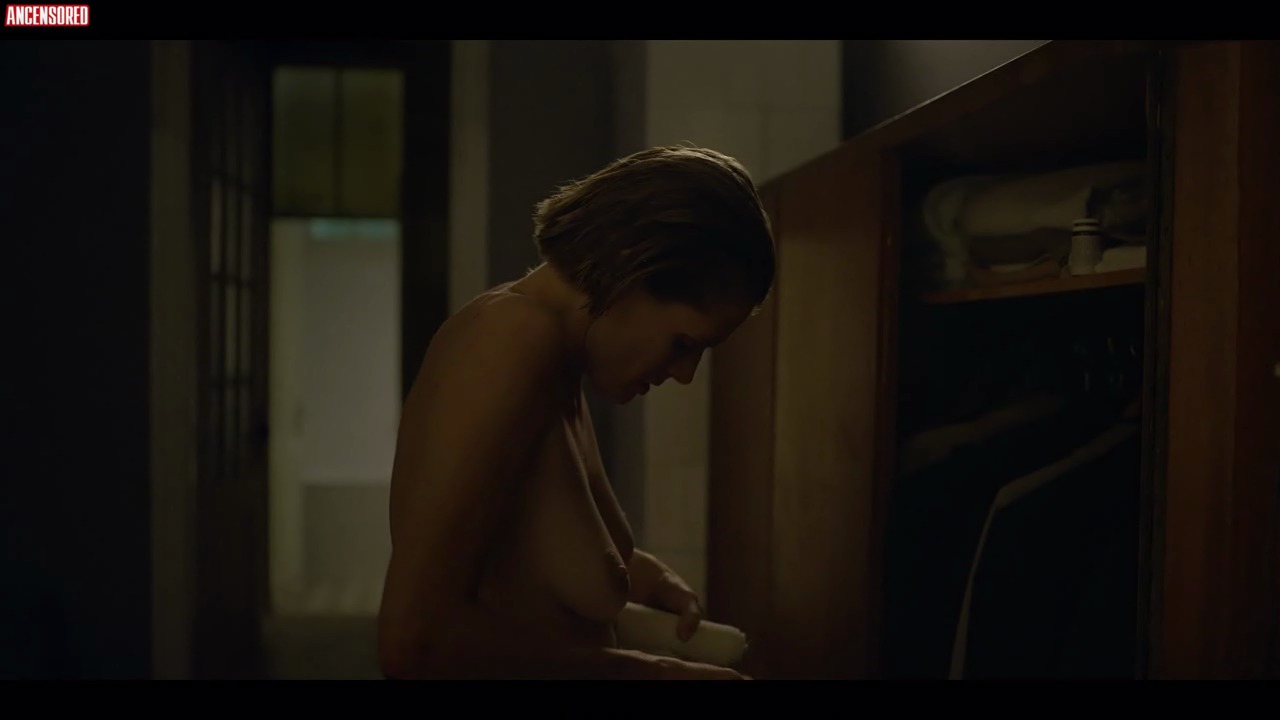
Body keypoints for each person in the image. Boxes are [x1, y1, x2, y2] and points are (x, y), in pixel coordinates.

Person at [377, 145, 775, 680]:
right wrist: (656, 673)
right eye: (683, 343)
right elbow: (413, 644)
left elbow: (514, 558)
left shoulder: (557, 364)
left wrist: (639, 576)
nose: (684, 374)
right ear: (630, 269)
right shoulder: (512, 340)